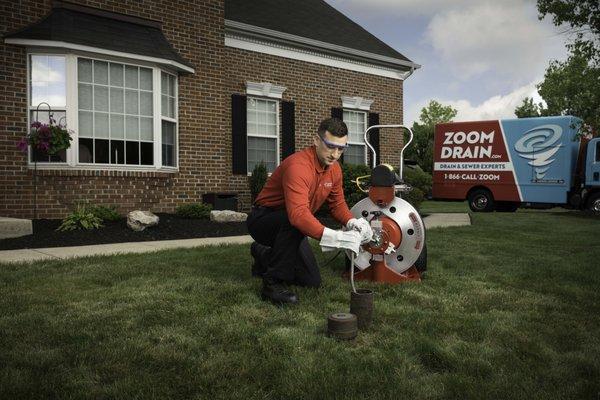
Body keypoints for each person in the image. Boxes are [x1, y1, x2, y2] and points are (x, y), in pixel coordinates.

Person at [246, 117, 373, 305]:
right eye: (330, 146)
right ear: (316, 140)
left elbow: (337, 204)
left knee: (311, 281)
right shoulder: (298, 166)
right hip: (263, 220)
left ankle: (262, 254)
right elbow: (298, 216)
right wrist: (337, 238)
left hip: (292, 227)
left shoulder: (334, 169)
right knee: (294, 221)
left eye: (341, 148)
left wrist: (352, 222)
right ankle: (272, 285)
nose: (335, 154)